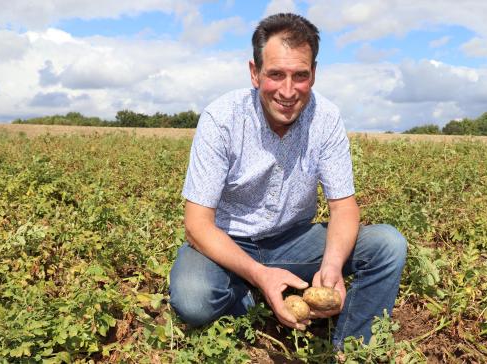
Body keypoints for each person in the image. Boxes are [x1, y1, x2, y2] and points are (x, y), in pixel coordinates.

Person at [169, 12, 407, 348]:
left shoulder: (325, 118)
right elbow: (197, 224)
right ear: (255, 73)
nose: (288, 90)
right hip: (228, 240)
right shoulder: (221, 119)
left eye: (300, 76)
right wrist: (260, 274)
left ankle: (353, 348)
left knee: (387, 245)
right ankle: (255, 293)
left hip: (293, 240)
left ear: (314, 74)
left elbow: (343, 208)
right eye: (276, 75)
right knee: (194, 299)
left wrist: (332, 265)